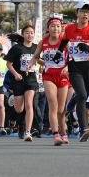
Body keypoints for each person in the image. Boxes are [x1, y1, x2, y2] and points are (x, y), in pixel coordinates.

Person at [63, 1, 89, 142]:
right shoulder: (69, 29)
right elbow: (63, 42)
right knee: (81, 95)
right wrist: (58, 53)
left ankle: (69, 106)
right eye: (82, 11)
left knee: (83, 95)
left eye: (88, 12)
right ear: (77, 12)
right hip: (75, 66)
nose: (85, 14)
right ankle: (83, 129)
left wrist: (87, 48)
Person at [33, 17, 71, 146]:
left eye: (58, 26)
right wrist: (35, 63)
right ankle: (56, 134)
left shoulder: (65, 41)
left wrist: (67, 67)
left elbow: (72, 59)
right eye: (53, 26)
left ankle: (63, 132)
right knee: (52, 104)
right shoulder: (43, 42)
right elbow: (36, 57)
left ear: (61, 29)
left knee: (61, 109)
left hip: (63, 76)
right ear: (48, 28)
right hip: (49, 76)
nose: (56, 28)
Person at [6, 25, 38, 141]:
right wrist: (15, 74)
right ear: (23, 34)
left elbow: (39, 60)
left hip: (31, 79)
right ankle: (20, 124)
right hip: (18, 80)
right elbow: (8, 64)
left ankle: (28, 131)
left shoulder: (36, 47)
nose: (30, 35)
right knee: (19, 109)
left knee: (29, 104)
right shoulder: (17, 48)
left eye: (32, 32)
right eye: (27, 32)